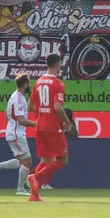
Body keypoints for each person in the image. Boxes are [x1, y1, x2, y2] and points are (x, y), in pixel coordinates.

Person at [28, 53, 74, 202]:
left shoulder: (39, 82)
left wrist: (41, 114)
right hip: (53, 127)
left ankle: (34, 195)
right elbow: (58, 107)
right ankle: (35, 177)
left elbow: (30, 106)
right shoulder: (58, 84)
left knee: (46, 160)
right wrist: (67, 122)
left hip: (40, 126)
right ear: (57, 64)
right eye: (60, 64)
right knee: (62, 159)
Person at [0, 73, 36, 195]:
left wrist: (10, 126)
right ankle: (20, 189)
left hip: (13, 133)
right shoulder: (19, 99)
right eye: (29, 83)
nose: (30, 85)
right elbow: (21, 120)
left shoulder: (15, 96)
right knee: (27, 161)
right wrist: (37, 124)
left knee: (21, 161)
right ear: (25, 84)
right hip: (16, 134)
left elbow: (5, 113)